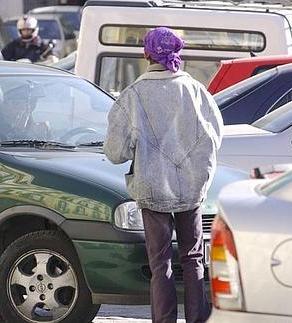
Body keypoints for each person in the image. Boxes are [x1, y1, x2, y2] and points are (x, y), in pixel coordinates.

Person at [103, 27, 223, 323]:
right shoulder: (195, 90)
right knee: (193, 258)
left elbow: (115, 151)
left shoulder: (133, 96)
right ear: (176, 54)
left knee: (160, 265)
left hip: (153, 190)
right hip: (192, 190)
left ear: (146, 54)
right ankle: (198, 319)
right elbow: (215, 135)